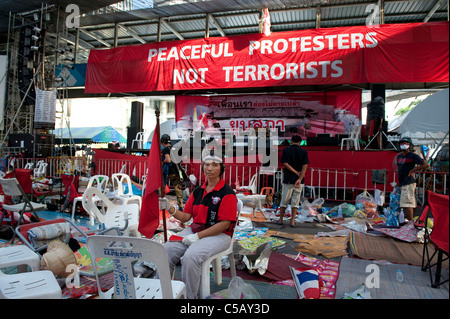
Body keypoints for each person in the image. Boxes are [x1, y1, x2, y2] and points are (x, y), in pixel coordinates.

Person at [159, 151, 238, 299]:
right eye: (207, 165)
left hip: (220, 235)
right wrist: (169, 208)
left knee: (191, 256)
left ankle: (189, 298)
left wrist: (198, 236)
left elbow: (224, 224)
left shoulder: (227, 193)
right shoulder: (197, 192)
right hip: (195, 230)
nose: (210, 168)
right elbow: (185, 217)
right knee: (166, 250)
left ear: (222, 168)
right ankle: (163, 293)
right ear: (202, 167)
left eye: (215, 165)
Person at [277, 135, 309, 227]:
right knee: (295, 201)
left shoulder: (286, 150)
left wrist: (295, 172)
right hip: (299, 181)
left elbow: (285, 164)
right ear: (300, 142)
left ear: (291, 141)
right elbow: (305, 167)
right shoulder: (304, 152)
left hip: (288, 179)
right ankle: (292, 221)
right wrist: (299, 178)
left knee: (284, 201)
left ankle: (281, 219)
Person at [395, 136, 429, 221]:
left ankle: (410, 223)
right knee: (410, 202)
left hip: (408, 181)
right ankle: (412, 220)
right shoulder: (399, 156)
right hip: (402, 181)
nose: (403, 145)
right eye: (402, 143)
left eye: (406, 143)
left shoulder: (413, 156)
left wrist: (414, 169)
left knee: (408, 204)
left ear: (410, 145)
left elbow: (426, 164)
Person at [161, 134, 184, 210]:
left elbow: (168, 160)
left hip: (169, 172)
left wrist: (162, 161)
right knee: (178, 189)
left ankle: (161, 203)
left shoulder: (166, 149)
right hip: (177, 171)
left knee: (161, 185)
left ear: (163, 143)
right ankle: (181, 206)